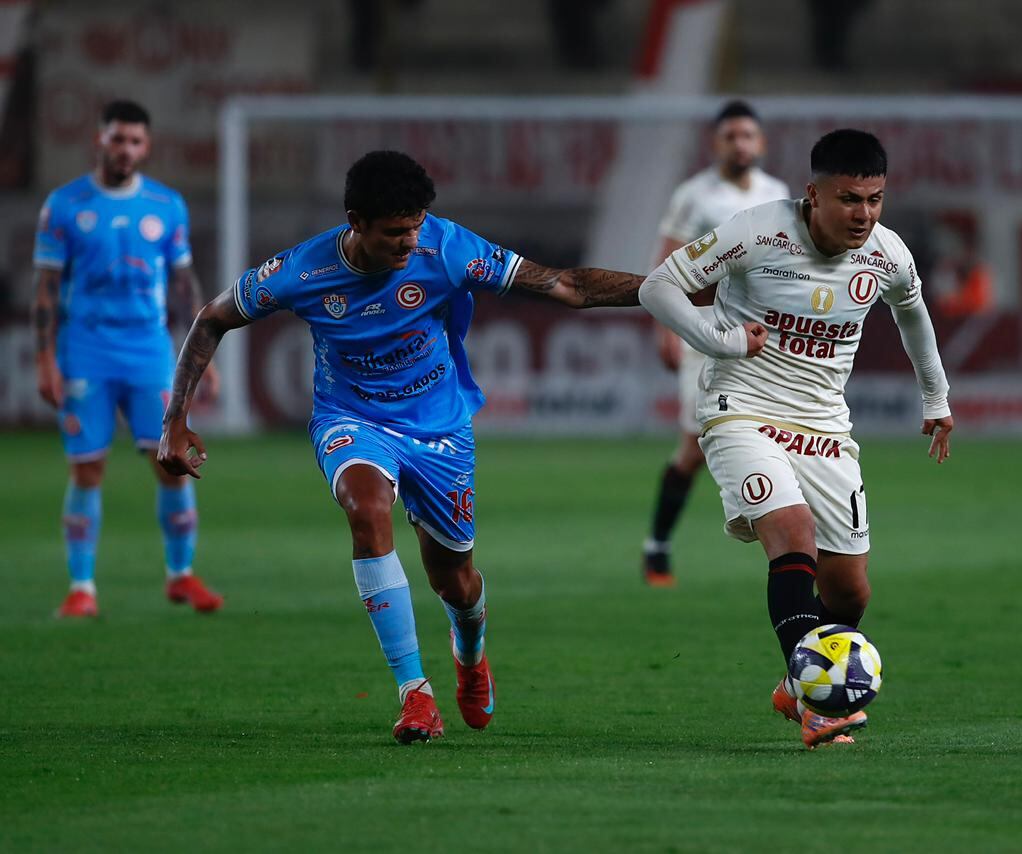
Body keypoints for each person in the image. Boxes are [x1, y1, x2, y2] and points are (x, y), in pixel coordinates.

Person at [156, 150, 643, 745]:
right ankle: (416, 694)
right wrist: (174, 421)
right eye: (394, 232)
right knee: (366, 510)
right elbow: (211, 319)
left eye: (415, 227)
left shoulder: (449, 247)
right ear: (355, 221)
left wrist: (670, 292)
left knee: (454, 577)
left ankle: (470, 653)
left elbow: (563, 285)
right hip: (350, 418)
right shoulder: (301, 271)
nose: (409, 242)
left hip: (440, 430)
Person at [638, 129, 953, 748]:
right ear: (812, 194)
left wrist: (936, 396)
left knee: (850, 590)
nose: (863, 214)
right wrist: (719, 340)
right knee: (792, 537)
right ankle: (816, 704)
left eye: (875, 199)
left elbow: (912, 314)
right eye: (848, 199)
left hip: (825, 424)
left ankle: (794, 682)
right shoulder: (756, 232)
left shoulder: (888, 254)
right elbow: (657, 286)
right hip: (740, 408)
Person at [32, 99, 222, 619]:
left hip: (148, 351)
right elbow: (46, 290)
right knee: (87, 469)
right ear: (100, 140)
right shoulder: (65, 205)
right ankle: (81, 588)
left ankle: (181, 576)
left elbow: (185, 289)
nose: (126, 149)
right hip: (86, 352)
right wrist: (45, 358)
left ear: (147, 146)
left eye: (135, 141)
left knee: (172, 465)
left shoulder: (166, 205)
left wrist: (204, 359)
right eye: (117, 139)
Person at [642, 100, 790, 586]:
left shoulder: (777, 193)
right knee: (695, 446)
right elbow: (665, 263)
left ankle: (781, 542)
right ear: (716, 143)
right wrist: (665, 328)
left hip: (761, 335)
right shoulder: (694, 195)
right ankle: (658, 545)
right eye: (731, 136)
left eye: (748, 135)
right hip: (702, 330)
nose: (740, 143)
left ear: (761, 143)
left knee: (774, 434)